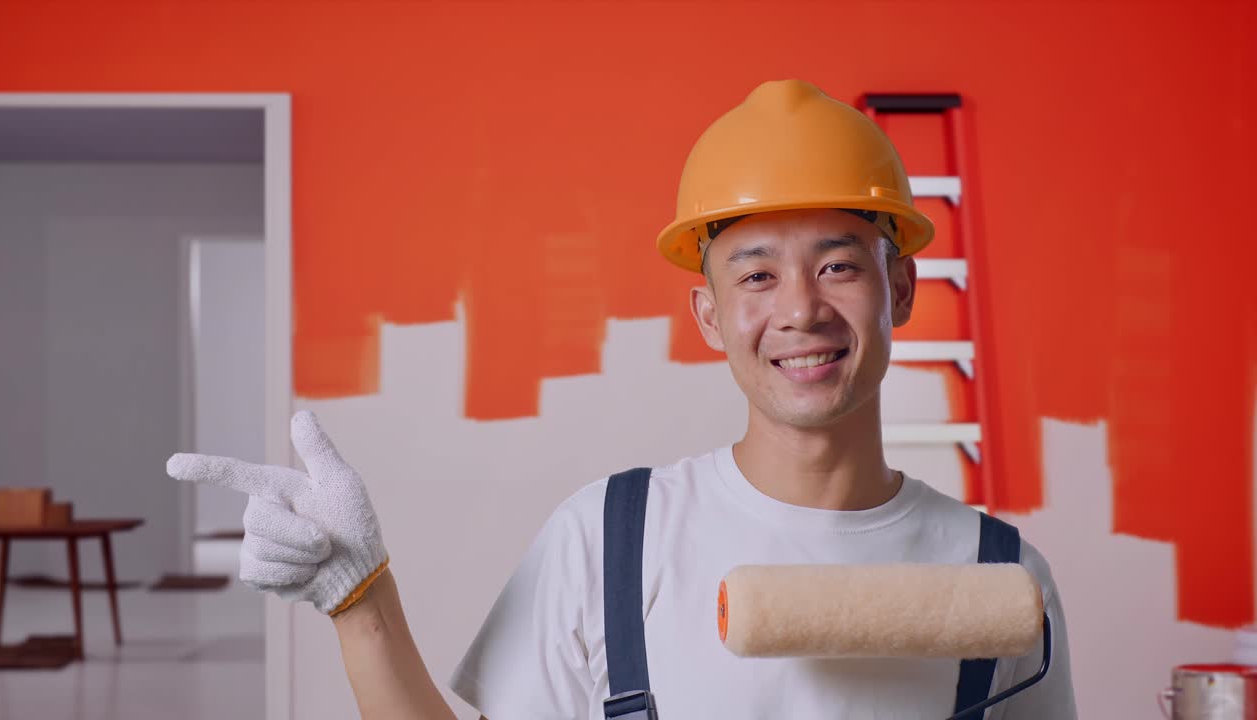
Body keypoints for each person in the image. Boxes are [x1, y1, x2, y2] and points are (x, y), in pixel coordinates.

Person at [167, 79, 1077, 719]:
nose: (800, 309)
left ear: (904, 291)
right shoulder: (611, 539)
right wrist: (358, 599)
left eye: (839, 265)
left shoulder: (1001, 577)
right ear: (710, 315)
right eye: (755, 275)